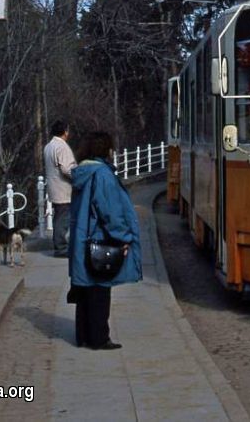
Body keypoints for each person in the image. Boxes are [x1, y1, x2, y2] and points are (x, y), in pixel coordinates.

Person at [68, 131, 142, 350]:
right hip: (100, 240)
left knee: (85, 290)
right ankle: (99, 338)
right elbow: (110, 212)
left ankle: (83, 335)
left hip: (83, 239)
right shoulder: (102, 174)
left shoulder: (84, 172)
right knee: (100, 289)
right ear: (105, 150)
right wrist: (124, 238)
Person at [44, 120, 77, 257]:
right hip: (63, 188)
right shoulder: (61, 147)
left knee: (59, 217)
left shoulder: (49, 146)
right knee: (63, 219)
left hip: (54, 186)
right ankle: (61, 247)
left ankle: (60, 245)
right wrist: (78, 175)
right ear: (64, 132)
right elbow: (67, 168)